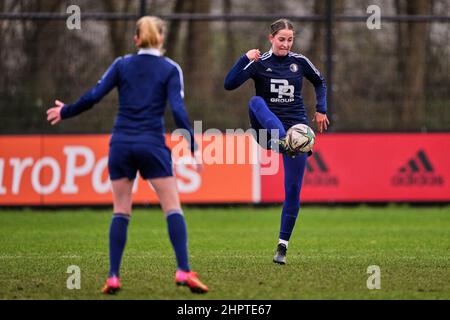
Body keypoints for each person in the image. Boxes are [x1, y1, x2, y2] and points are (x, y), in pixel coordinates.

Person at [46, 16, 208, 294]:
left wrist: (65, 111)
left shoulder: (122, 64)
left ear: (136, 39)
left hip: (120, 143)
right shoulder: (170, 69)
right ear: (161, 39)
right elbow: (178, 111)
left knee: (121, 209)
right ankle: (183, 270)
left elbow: (95, 96)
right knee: (172, 207)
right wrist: (193, 147)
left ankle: (113, 277)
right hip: (151, 144)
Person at [224, 19, 330, 265]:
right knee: (255, 102)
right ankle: (283, 138)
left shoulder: (300, 62)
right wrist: (244, 58)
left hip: (297, 135)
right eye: (281, 39)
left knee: (293, 190)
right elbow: (229, 84)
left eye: (290, 39)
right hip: (266, 132)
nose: (285, 43)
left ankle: (282, 246)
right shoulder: (259, 63)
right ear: (271, 38)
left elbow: (320, 82)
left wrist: (321, 109)